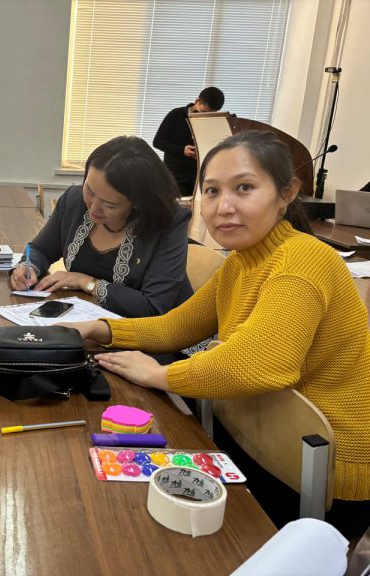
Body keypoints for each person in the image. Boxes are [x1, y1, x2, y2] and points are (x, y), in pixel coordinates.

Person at [67, 131, 370, 537]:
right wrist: (99, 329)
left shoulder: (304, 259)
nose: (223, 207)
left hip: (320, 471)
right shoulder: (242, 263)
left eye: (244, 188)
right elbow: (176, 326)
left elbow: (262, 364)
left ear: (287, 193)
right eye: (211, 191)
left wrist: (158, 375)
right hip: (260, 436)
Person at [9, 136, 193, 318]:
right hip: (89, 321)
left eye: (109, 205)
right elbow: (41, 249)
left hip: (160, 331)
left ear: (138, 202)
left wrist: (87, 282)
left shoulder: (168, 222)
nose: (93, 208)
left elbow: (153, 307)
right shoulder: (74, 201)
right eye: (89, 190)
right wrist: (28, 267)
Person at [153, 86, 225, 196]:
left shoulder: (212, 121)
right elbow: (158, 142)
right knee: (178, 205)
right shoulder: (176, 114)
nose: (204, 117)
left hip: (198, 175)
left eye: (209, 114)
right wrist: (182, 150)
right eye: (203, 112)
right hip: (175, 175)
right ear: (197, 101)